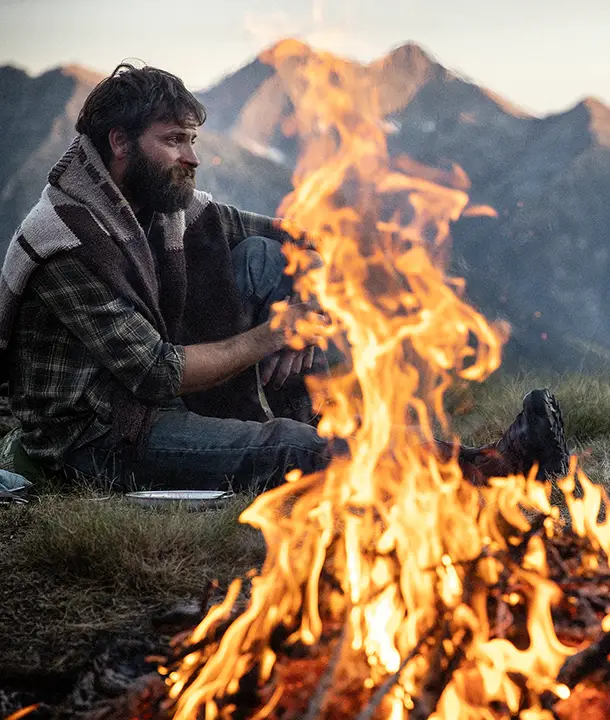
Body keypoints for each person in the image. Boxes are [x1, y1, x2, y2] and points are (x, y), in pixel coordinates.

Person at [0, 63, 568, 491]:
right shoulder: (68, 241)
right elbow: (155, 372)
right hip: (99, 435)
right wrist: (274, 335)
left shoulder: (153, 204)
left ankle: (312, 415)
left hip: (148, 394)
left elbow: (291, 237)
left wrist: (320, 290)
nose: (192, 157)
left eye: (192, 140)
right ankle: (483, 469)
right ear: (119, 143)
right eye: (174, 141)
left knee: (261, 259)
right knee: (287, 450)